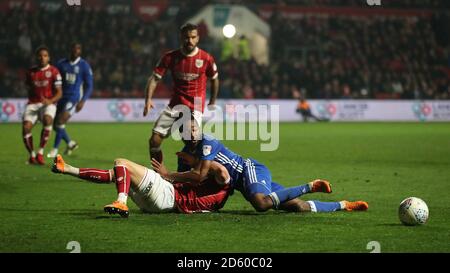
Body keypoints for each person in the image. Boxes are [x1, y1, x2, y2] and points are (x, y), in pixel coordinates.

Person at [151, 118, 368, 213]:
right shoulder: (185, 154)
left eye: (196, 128)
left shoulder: (208, 142)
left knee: (261, 204)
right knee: (297, 207)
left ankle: (310, 185)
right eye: (189, 130)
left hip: (250, 169)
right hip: (243, 184)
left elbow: (198, 176)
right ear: (183, 134)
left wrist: (168, 174)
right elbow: (190, 180)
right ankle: (344, 205)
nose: (194, 132)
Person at [51, 154, 231, 217]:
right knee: (118, 173)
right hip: (161, 205)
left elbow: (220, 171)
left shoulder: (222, 184)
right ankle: (66, 168)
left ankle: (122, 201)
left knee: (121, 162)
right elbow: (198, 181)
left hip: (166, 195)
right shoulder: (216, 198)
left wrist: (204, 155)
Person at [142, 23, 219, 164]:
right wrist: (148, 100)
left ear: (198, 38)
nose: (189, 40)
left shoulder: (206, 58)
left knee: (192, 140)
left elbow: (214, 79)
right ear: (181, 38)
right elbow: (154, 78)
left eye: (193, 37)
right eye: (186, 37)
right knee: (154, 140)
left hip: (195, 105)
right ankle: (159, 174)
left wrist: (212, 100)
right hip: (175, 104)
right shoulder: (170, 57)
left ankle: (200, 173)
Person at [47, 43, 94, 158]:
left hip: (74, 98)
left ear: (80, 51)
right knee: (54, 125)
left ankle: (55, 149)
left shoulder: (84, 66)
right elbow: (54, 80)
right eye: (73, 48)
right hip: (60, 97)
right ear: (70, 49)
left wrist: (83, 101)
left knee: (60, 121)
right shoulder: (61, 64)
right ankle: (70, 143)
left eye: (78, 49)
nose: (75, 50)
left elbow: (89, 85)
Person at [22, 45, 62, 165]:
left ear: (48, 58)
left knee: (48, 119)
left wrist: (50, 101)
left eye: (44, 56)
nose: (42, 58)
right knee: (26, 128)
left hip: (48, 103)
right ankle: (32, 155)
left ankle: (40, 152)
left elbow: (60, 93)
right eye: (40, 56)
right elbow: (28, 87)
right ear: (36, 57)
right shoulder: (31, 72)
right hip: (33, 103)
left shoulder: (54, 71)